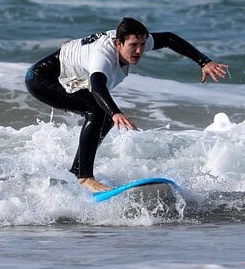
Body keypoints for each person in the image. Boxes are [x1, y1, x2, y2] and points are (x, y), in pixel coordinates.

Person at [24, 17, 229, 192]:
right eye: (133, 46)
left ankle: (77, 172)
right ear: (118, 43)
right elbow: (97, 85)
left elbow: (169, 38)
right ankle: (85, 177)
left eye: (142, 45)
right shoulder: (102, 56)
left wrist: (204, 61)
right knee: (97, 111)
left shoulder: (136, 39)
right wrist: (115, 112)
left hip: (62, 74)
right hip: (42, 78)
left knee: (103, 115)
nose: (139, 50)